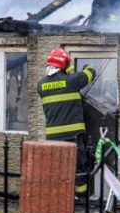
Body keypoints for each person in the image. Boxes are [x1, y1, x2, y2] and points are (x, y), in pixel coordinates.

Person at [37, 48, 96, 195]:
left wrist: (66, 74)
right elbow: (90, 74)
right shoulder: (72, 80)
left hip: (52, 136)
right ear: (64, 63)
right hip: (72, 135)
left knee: (58, 167)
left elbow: (58, 86)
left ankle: (60, 196)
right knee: (78, 167)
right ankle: (81, 197)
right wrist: (86, 66)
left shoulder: (41, 84)